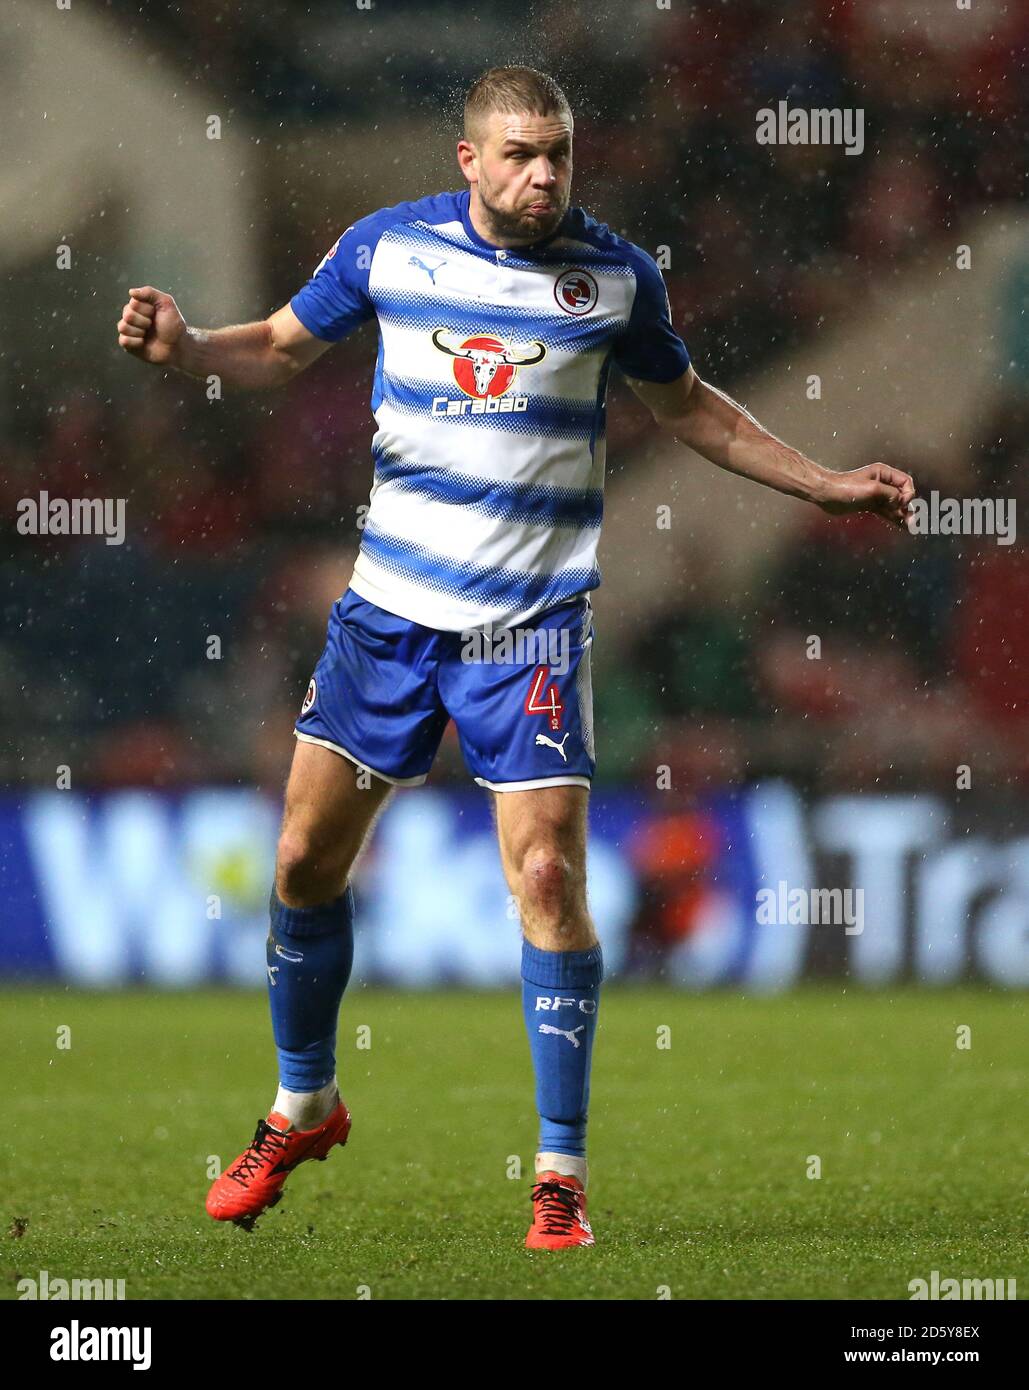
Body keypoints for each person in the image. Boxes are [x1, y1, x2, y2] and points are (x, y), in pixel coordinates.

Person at [116, 65, 916, 1250]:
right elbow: (280, 350)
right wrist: (187, 350)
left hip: (529, 631)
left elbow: (695, 410)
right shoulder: (388, 251)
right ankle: (304, 1104)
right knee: (298, 860)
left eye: (561, 154)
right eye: (523, 153)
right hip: (385, 617)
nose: (545, 174)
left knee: (547, 880)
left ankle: (560, 1175)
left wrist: (827, 484)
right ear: (470, 161)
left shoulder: (613, 280)